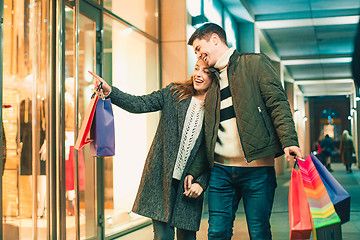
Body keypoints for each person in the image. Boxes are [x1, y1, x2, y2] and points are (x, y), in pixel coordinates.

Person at [188, 23, 302, 240]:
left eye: (198, 47)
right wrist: (195, 170)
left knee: (259, 232)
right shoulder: (210, 80)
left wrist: (289, 140)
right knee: (217, 233)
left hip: (258, 170)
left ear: (214, 39)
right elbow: (208, 135)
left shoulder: (255, 63)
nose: (198, 55)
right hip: (220, 171)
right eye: (195, 52)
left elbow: (277, 104)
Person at [92, 59, 213, 240]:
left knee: (187, 238)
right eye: (196, 69)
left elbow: (211, 151)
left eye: (206, 72)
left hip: (189, 184)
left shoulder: (216, 108)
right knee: (163, 237)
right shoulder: (174, 93)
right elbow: (140, 104)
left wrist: (201, 182)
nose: (198, 74)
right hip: (161, 179)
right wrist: (111, 92)